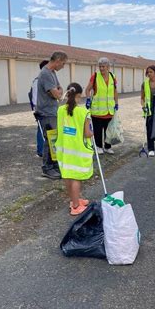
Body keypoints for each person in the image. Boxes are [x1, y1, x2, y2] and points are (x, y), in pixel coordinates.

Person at [55, 83, 93, 215]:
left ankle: (74, 200)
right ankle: (76, 206)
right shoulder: (83, 112)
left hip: (63, 149)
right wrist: (94, 133)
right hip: (78, 150)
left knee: (67, 176)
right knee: (76, 177)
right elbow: (87, 134)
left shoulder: (60, 110)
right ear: (79, 95)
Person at [36, 51, 67, 179]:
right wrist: (56, 92)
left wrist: (57, 92)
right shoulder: (45, 74)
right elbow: (57, 94)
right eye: (63, 63)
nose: (63, 66)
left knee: (54, 140)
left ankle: (54, 166)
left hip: (53, 111)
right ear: (58, 60)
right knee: (49, 140)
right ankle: (47, 168)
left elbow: (60, 89)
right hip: (46, 113)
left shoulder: (52, 73)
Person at [84, 57, 118, 155]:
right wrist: (88, 99)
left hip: (109, 110)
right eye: (100, 66)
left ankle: (107, 147)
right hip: (97, 110)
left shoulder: (113, 76)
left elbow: (115, 91)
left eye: (103, 66)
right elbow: (87, 90)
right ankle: (98, 146)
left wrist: (116, 103)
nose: (101, 68)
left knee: (109, 130)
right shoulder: (95, 76)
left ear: (108, 67)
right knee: (98, 130)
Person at [28, 59, 49, 157]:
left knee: (46, 129)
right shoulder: (38, 81)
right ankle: (40, 151)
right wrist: (38, 110)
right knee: (41, 130)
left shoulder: (45, 79)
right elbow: (35, 98)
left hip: (47, 109)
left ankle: (46, 150)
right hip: (41, 110)